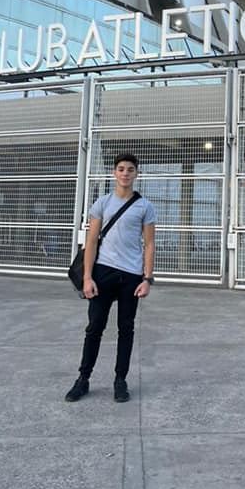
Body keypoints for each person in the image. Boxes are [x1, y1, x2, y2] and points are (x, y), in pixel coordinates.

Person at [65, 153, 156, 403]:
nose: (125, 173)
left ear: (137, 174)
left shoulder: (145, 206)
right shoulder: (102, 203)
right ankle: (83, 379)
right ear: (114, 173)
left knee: (126, 329)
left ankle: (120, 380)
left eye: (130, 169)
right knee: (94, 328)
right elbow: (92, 241)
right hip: (103, 272)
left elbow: (149, 244)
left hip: (131, 276)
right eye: (121, 169)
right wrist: (87, 278)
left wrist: (147, 279)